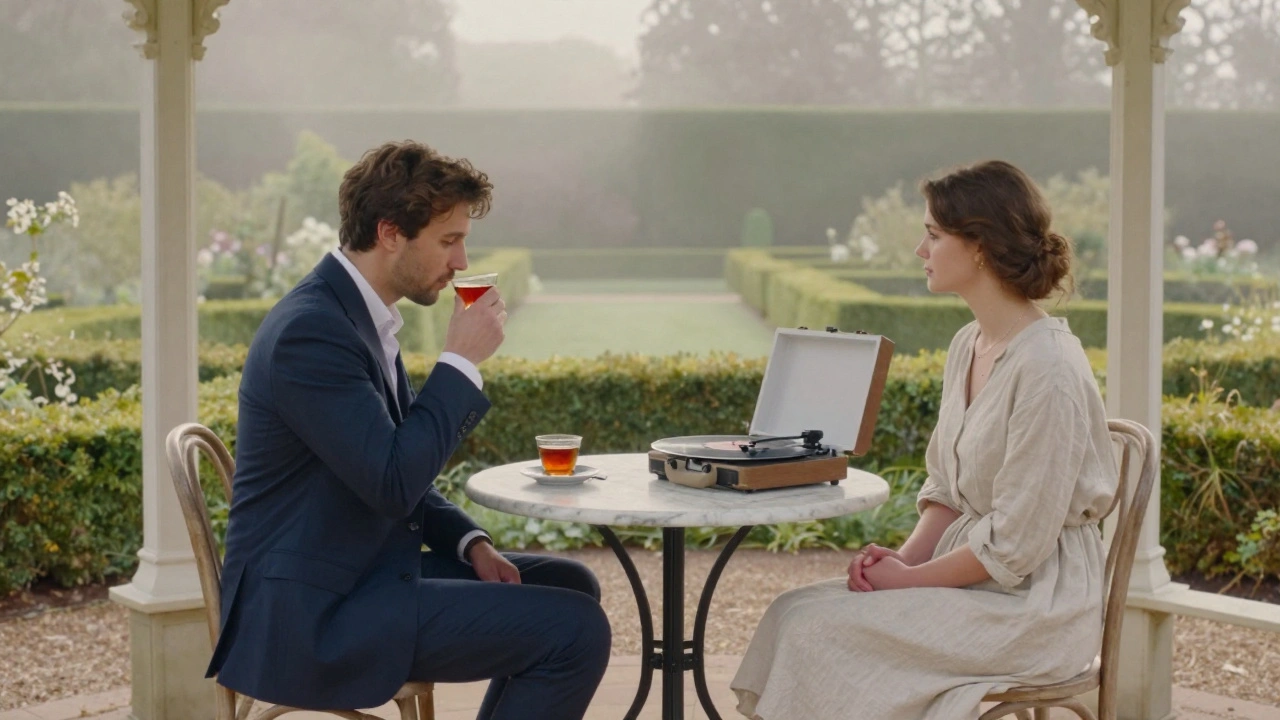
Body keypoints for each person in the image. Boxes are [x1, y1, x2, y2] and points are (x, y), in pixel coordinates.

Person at [209, 140, 611, 720]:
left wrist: (471, 543)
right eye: (449, 241)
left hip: (359, 573)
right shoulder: (312, 333)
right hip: (310, 614)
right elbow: (394, 480)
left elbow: (388, 465)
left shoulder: (360, 317)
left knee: (568, 584)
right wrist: (460, 363)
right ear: (390, 231)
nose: (462, 263)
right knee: (575, 631)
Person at [730, 160, 1119, 719]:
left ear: (980, 245)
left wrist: (909, 581)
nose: (920, 250)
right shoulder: (969, 343)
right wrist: (902, 560)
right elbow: (947, 490)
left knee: (819, 630)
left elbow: (1017, 546)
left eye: (934, 235)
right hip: (971, 574)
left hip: (1033, 603)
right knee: (791, 611)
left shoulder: (1048, 368)